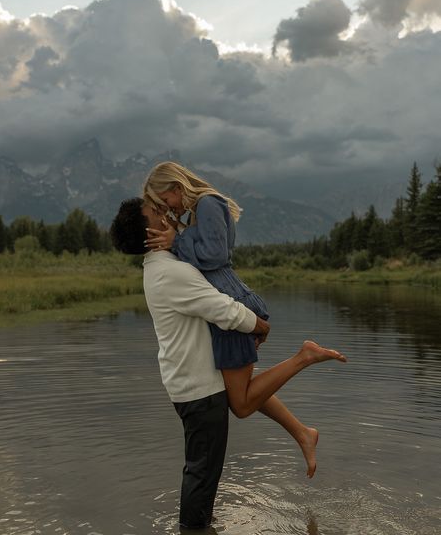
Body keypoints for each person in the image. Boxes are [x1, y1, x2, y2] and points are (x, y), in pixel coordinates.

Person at [110, 197, 347, 530]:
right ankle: (195, 528)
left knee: (208, 462)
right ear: (150, 230)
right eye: (156, 212)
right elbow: (223, 308)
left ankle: (301, 429)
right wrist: (260, 326)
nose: (164, 211)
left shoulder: (164, 266)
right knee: (201, 475)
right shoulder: (171, 272)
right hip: (199, 390)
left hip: (193, 382)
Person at [143, 161, 344, 479]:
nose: (168, 209)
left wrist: (176, 242)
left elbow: (215, 255)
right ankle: (304, 433)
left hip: (233, 308)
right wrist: (177, 235)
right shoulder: (198, 211)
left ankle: (304, 357)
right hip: (226, 308)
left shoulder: (208, 203)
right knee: (241, 391)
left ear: (177, 188)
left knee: (241, 404)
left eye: (165, 201)